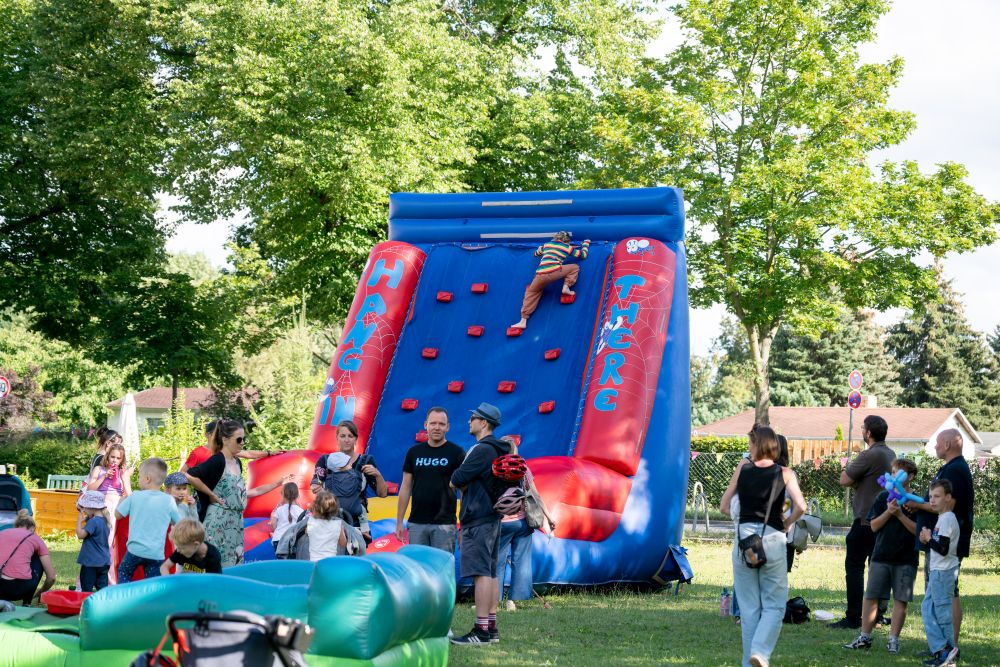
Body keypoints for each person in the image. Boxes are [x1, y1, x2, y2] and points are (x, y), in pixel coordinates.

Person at [720, 425, 806, 667]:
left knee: (748, 608)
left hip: (746, 542)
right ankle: (760, 653)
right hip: (773, 540)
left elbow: (724, 505)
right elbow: (801, 506)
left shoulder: (743, 469)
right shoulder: (786, 473)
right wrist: (786, 523)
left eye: (750, 444)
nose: (748, 449)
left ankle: (750, 662)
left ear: (758, 446)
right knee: (775, 605)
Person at [185, 419, 293, 567]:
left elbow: (247, 491)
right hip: (219, 521)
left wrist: (277, 483)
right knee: (215, 566)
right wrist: (211, 494)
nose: (242, 442)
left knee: (233, 565)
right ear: (225, 439)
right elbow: (189, 475)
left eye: (244, 439)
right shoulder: (217, 460)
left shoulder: (236, 462)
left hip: (235, 521)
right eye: (239, 439)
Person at [843, 458, 920, 655]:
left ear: (910, 477)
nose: (894, 476)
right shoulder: (882, 497)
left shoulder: (916, 503)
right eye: (892, 472)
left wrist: (901, 515)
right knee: (871, 596)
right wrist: (889, 511)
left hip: (906, 559)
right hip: (881, 556)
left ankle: (893, 639)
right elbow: (874, 526)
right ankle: (864, 637)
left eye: (899, 473)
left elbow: (918, 532)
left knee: (901, 600)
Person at [449, 402, 511, 646]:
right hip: (493, 517)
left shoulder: (481, 450)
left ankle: (481, 630)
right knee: (491, 572)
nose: (469, 421)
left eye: (473, 417)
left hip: (477, 517)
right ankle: (491, 627)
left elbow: (456, 479)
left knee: (480, 574)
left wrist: (461, 480)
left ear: (483, 423)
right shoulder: (501, 449)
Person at [909, 428, 974, 649]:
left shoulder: (955, 470)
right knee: (943, 593)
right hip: (939, 539)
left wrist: (918, 504)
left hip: (944, 543)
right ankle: (943, 646)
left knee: (944, 595)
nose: (935, 446)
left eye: (937, 442)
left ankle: (947, 647)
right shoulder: (950, 468)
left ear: (947, 445)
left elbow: (950, 505)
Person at [832, 414, 895, 630]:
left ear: (868, 433)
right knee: (878, 569)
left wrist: (855, 478)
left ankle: (853, 617)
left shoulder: (870, 454)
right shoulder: (890, 453)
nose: (862, 431)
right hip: (884, 519)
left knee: (855, 567)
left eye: (863, 428)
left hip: (865, 520)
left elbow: (843, 479)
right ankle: (876, 616)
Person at [495, 436, 556, 611]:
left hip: (501, 522)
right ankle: (515, 600)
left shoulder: (494, 467)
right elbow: (535, 494)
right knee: (521, 561)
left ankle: (494, 598)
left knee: (497, 562)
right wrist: (549, 517)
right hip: (522, 522)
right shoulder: (523, 468)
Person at [395, 407, 465, 552]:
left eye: (441, 424)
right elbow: (406, 487)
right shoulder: (413, 452)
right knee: (418, 570)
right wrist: (399, 522)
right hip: (416, 523)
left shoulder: (457, 453)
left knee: (442, 570)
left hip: (445, 525)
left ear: (448, 427)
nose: (437, 427)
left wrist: (463, 525)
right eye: (433, 423)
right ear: (425, 425)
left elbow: (464, 492)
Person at [310, 420, 388, 542]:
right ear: (337, 438)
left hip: (357, 520)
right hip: (331, 519)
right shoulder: (326, 460)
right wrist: (320, 490)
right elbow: (315, 486)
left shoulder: (366, 460)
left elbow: (383, 494)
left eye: (350, 436)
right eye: (342, 436)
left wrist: (378, 475)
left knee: (357, 558)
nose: (346, 440)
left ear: (356, 439)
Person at [116, 458, 181, 583]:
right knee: (151, 584)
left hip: (134, 550)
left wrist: (121, 502)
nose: (138, 479)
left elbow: (118, 515)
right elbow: (179, 524)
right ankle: (149, 601)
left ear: (147, 478)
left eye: (139, 476)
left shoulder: (135, 496)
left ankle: (123, 598)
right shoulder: (168, 500)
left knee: (124, 572)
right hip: (156, 554)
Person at [919, 480, 961, 667]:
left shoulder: (947, 519)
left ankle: (947, 651)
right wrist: (928, 535)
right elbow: (940, 542)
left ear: (948, 497)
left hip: (943, 573)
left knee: (941, 612)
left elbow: (943, 549)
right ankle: (942, 649)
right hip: (938, 571)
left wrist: (928, 539)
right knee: (927, 608)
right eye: (930, 497)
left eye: (937, 496)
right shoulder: (942, 518)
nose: (932, 500)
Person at [511, 231, 590, 329]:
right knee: (574, 267)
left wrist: (544, 250)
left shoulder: (546, 245)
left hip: (540, 275)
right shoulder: (567, 247)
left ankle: (523, 320)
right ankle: (566, 287)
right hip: (555, 271)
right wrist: (586, 243)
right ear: (567, 241)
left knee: (532, 292)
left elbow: (536, 254)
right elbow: (583, 255)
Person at [86, 441, 132, 580]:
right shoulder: (99, 470)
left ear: (122, 460)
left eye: (118, 458)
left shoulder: (123, 473)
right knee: (96, 540)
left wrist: (125, 478)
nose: (115, 460)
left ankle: (108, 578)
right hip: (100, 506)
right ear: (107, 456)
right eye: (112, 457)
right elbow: (90, 489)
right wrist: (104, 477)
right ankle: (87, 577)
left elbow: (128, 494)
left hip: (115, 508)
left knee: (111, 542)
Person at [0, 510, 56, 606]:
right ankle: (27, 602)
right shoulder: (35, 538)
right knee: (38, 557)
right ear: (33, 528)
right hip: (20, 588)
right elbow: (51, 577)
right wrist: (40, 593)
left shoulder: (2, 533)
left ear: (15, 526)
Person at [181, 420, 275, 474]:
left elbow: (248, 453)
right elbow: (182, 473)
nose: (218, 437)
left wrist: (270, 453)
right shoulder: (198, 453)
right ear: (207, 435)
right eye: (216, 434)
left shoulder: (225, 450)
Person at [75, 490, 112, 592]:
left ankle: (87, 608)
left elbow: (80, 535)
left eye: (85, 508)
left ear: (92, 507)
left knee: (86, 590)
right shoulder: (105, 520)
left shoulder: (94, 521)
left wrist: (79, 520)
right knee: (102, 590)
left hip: (91, 562)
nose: (84, 510)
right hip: (104, 561)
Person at [308, 491, 348, 561]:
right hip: (330, 563)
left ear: (315, 507)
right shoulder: (338, 525)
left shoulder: (311, 522)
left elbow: (307, 532)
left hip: (314, 563)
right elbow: (343, 544)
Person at [270, 482, 305, 552]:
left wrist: (272, 514)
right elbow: (303, 527)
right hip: (292, 541)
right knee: (292, 562)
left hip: (278, 540)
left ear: (283, 495)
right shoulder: (300, 511)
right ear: (298, 495)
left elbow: (273, 525)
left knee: (280, 561)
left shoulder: (279, 509)